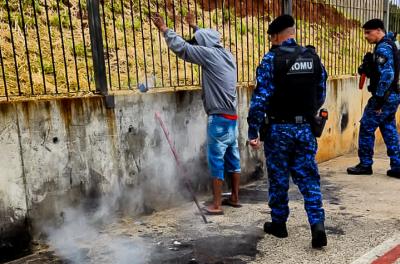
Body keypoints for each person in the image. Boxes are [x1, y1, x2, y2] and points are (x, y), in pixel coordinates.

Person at [247, 14, 328, 248]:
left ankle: (279, 224)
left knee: (279, 178)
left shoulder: (271, 59)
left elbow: (260, 100)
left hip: (278, 130)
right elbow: (320, 94)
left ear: (275, 36)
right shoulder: (313, 58)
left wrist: (254, 131)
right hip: (305, 129)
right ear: (293, 32)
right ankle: (317, 226)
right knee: (309, 178)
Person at [152, 13, 241, 215]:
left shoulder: (209, 55)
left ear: (206, 46)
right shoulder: (227, 55)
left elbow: (184, 49)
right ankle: (235, 197)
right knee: (233, 158)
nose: (198, 45)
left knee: (216, 160)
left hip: (218, 118)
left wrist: (165, 29)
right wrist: (195, 26)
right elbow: (205, 39)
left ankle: (217, 205)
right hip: (232, 117)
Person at [347, 19, 400, 178]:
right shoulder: (390, 44)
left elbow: (388, 74)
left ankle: (365, 164)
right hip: (393, 95)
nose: (365, 36)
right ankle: (397, 165)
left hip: (384, 96)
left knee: (366, 127)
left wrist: (378, 99)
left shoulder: (383, 48)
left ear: (378, 30)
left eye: (368, 32)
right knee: (388, 128)